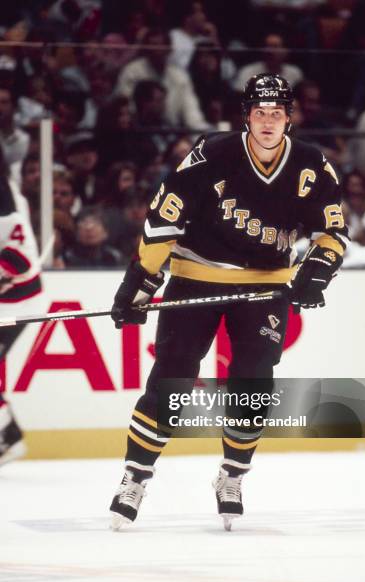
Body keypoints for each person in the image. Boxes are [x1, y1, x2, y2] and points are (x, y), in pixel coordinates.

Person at [108, 73, 348, 531]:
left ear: (288, 119)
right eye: (260, 113)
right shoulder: (213, 152)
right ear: (247, 117)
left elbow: (332, 232)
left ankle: (232, 476)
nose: (268, 122)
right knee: (172, 376)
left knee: (254, 383)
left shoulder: (313, 165)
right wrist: (140, 283)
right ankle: (135, 476)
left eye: (276, 114)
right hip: (196, 276)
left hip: (265, 286)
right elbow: (165, 215)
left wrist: (316, 271)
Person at [0, 147, 43, 465]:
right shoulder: (11, 194)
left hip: (17, 304)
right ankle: (10, 434)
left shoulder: (9, 210)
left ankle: (10, 436)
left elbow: (23, 261)